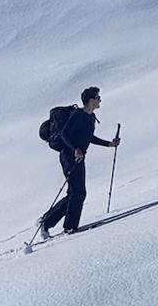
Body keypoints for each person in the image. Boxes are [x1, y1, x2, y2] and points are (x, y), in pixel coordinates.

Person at [38, 86, 120, 238]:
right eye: (98, 97)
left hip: (79, 156)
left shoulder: (90, 118)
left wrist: (109, 144)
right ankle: (68, 227)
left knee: (75, 192)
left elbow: (89, 137)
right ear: (90, 100)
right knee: (78, 192)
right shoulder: (77, 114)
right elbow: (64, 134)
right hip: (69, 156)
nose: (100, 100)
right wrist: (75, 149)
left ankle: (47, 221)